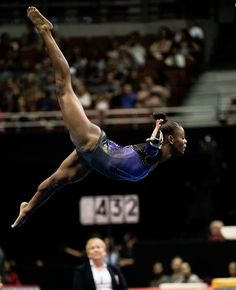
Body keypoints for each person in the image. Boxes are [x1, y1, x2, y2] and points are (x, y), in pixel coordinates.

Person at [11, 7, 187, 229]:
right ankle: (46, 31)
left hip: (90, 159)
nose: (186, 141)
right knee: (64, 88)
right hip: (92, 142)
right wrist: (157, 131)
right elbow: (154, 145)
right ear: (170, 139)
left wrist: (158, 129)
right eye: (183, 137)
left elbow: (153, 147)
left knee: (53, 183)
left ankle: (27, 208)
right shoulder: (157, 150)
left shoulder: (160, 157)